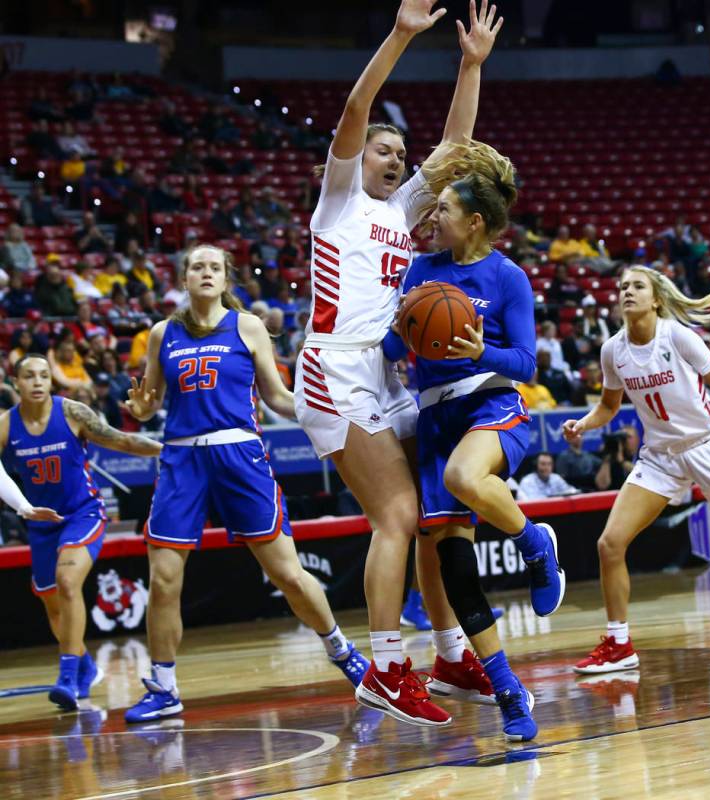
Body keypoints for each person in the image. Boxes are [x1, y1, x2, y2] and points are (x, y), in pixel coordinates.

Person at [294, 0, 506, 729]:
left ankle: (447, 651)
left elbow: (455, 143)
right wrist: (400, 35)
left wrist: (469, 65)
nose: (393, 159)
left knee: (434, 513)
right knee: (396, 513)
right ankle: (385, 668)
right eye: (383, 150)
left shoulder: (401, 212)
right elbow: (356, 105)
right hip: (333, 368)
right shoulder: (339, 199)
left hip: (385, 375)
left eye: (397, 153)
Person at [123, 244, 367, 724]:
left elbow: (275, 396)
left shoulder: (248, 327)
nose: (206, 273)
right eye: (197, 266)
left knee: (288, 575)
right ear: (185, 277)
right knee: (164, 579)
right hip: (182, 459)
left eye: (215, 267)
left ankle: (344, 652)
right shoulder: (161, 334)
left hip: (239, 454)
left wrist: (321, 408)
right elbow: (150, 402)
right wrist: (141, 411)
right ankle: (163, 685)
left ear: (226, 278)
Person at [382, 143, 564, 742]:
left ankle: (535, 544)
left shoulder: (508, 276)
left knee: (465, 478)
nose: (434, 217)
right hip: (434, 417)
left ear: (475, 221)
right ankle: (508, 689)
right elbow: (393, 347)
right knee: (456, 568)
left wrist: (476, 350)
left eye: (445, 210)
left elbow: (526, 363)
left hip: (492, 404)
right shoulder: (421, 270)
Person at [564, 266, 710, 674]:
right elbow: (608, 406)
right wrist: (583, 423)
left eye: (637, 286)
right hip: (660, 456)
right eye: (622, 287)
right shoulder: (612, 350)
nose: (627, 292)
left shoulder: (678, 336)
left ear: (655, 299)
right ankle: (619, 644)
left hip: (707, 445)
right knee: (609, 544)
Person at [2, 354, 162, 709]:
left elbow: (123, 441)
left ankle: (67, 676)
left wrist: (169, 451)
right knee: (54, 607)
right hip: (42, 523)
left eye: (44, 375)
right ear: (16, 384)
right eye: (29, 376)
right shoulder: (6, 425)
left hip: (83, 513)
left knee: (68, 581)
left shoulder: (73, 413)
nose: (38, 382)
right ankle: (86, 667)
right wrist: (22, 507)